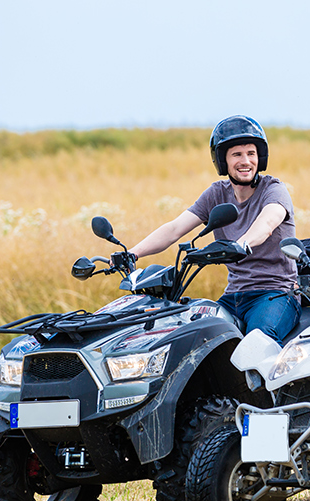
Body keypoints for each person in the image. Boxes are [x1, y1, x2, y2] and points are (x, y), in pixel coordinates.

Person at [124, 115, 300, 344]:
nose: (245, 161)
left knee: (258, 341)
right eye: (237, 154)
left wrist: (242, 243)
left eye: (251, 154)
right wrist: (132, 253)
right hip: (233, 297)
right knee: (193, 338)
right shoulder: (217, 193)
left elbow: (267, 223)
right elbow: (175, 228)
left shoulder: (274, 189)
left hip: (275, 294)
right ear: (222, 160)